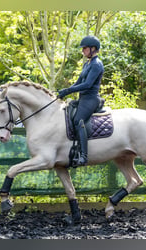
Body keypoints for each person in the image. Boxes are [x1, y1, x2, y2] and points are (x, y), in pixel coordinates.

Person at [58, 35, 104, 167]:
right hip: (83, 98)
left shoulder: (97, 64)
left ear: (93, 48)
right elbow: (79, 82)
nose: (83, 51)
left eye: (85, 48)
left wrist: (68, 91)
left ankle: (84, 156)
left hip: (91, 99)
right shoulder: (87, 64)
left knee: (79, 120)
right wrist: (65, 90)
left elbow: (88, 84)